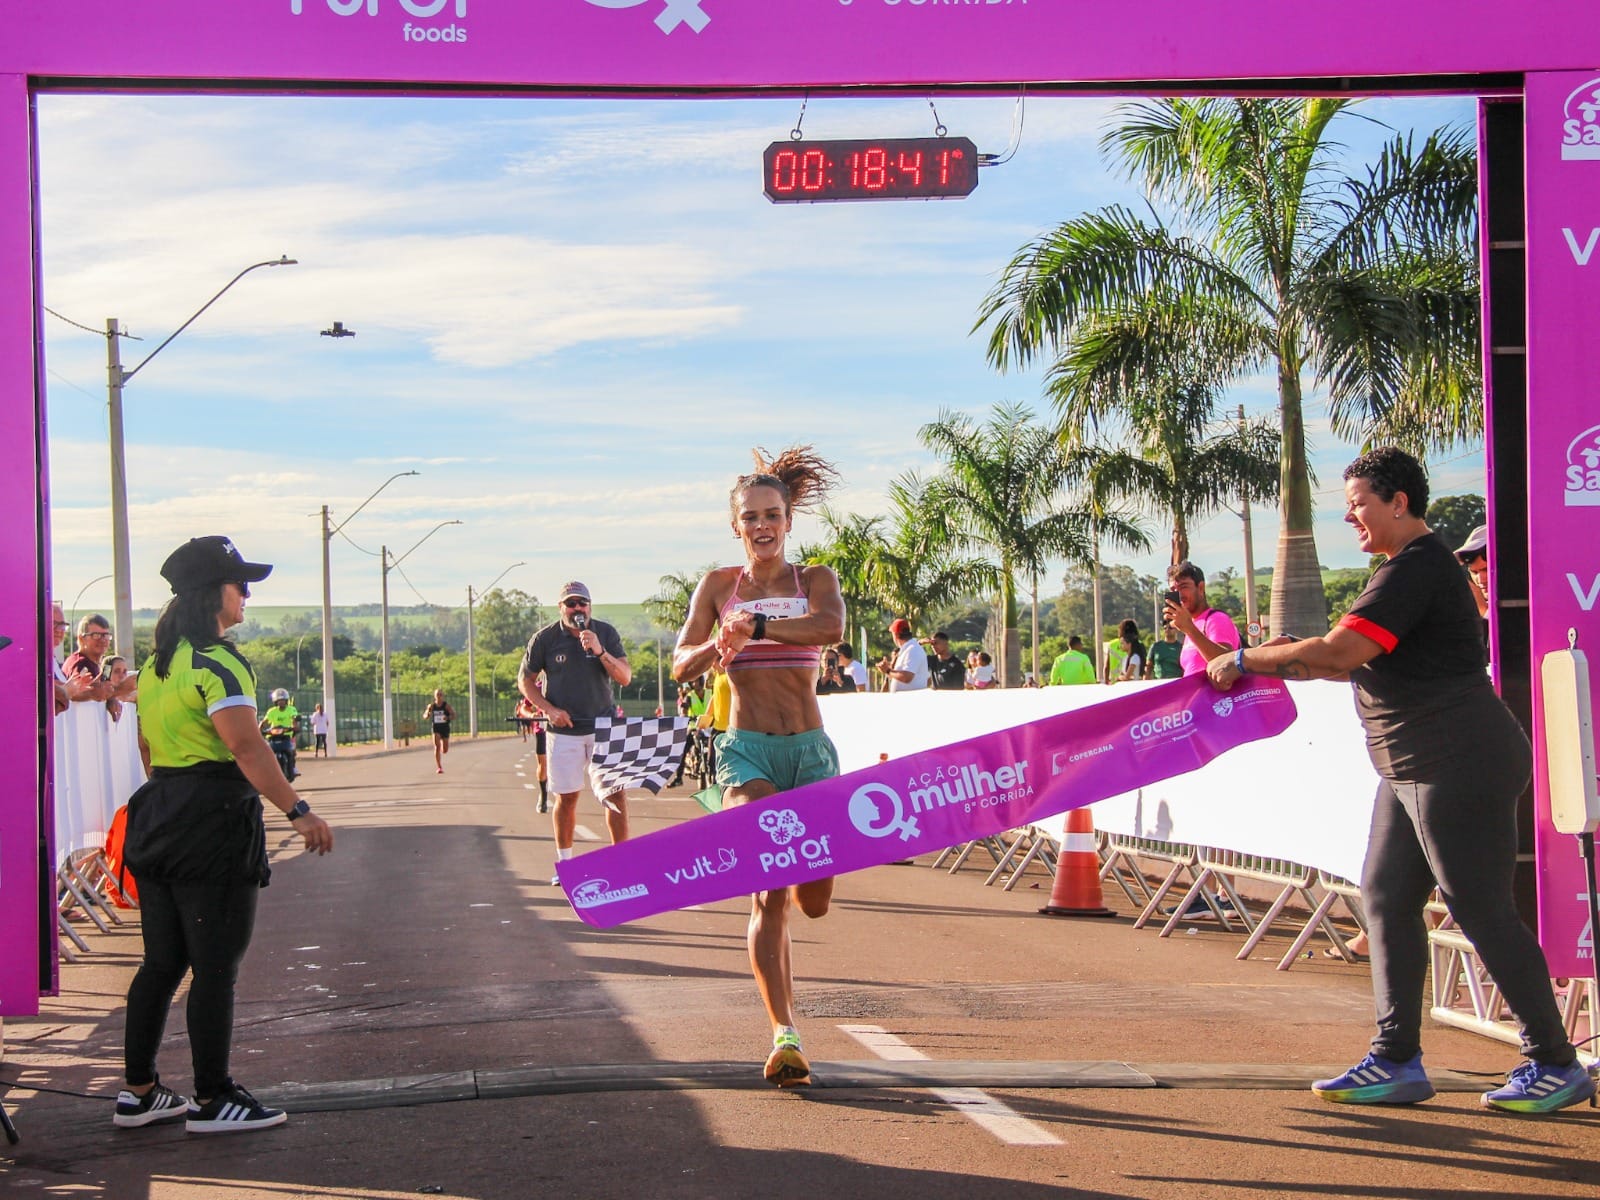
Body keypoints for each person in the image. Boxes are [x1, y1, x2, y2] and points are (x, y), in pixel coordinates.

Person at [1206, 448, 1594, 1114]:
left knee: (1479, 908)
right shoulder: (1401, 572)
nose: (1349, 517)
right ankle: (1395, 1060)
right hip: (1414, 766)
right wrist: (1269, 659)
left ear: (1399, 502)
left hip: (1457, 760)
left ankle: (1555, 1062)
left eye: (1357, 504)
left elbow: (1338, 653)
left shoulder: (1416, 568)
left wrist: (1244, 658)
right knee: (1386, 897)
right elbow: (1344, 662)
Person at [118, 535, 333, 1134]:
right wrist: (299, 811)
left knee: (161, 963)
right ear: (215, 592)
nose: (247, 596)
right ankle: (213, 1098)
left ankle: (138, 1092)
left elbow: (147, 746)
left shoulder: (158, 666)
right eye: (241, 585)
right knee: (215, 967)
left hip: (159, 811)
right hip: (210, 822)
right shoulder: (218, 660)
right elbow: (246, 745)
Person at [672, 446, 845, 1088]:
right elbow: (680, 663)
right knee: (768, 886)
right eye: (751, 517)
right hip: (746, 750)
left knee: (813, 901)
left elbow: (829, 627)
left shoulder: (815, 580)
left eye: (773, 515)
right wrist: (718, 644)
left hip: (810, 752)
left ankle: (806, 876)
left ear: (788, 521)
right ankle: (784, 1034)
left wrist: (760, 631)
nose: (762, 525)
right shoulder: (719, 588)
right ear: (735, 526)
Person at [518, 581, 632, 882]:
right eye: (571, 604)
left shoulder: (605, 633)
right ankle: (566, 864)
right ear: (561, 608)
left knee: (615, 795)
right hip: (564, 732)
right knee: (566, 798)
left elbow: (625, 677)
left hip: (603, 728)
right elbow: (525, 680)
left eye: (582, 603)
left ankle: (621, 862)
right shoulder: (544, 639)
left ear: (590, 606)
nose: (577, 608)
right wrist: (549, 710)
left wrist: (600, 650)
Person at [1163, 561, 1242, 677]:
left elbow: (1227, 664)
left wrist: (1189, 629)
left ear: (1200, 588)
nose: (1178, 594)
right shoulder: (1193, 624)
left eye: (1183, 587)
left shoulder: (1216, 619)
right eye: (1173, 589)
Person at [877, 618, 928, 691]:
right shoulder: (907, 650)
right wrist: (888, 669)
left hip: (911, 697)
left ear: (896, 634)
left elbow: (907, 677)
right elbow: (899, 676)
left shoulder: (913, 649)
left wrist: (888, 670)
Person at [258, 689, 299, 780]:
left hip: (286, 735)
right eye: (279, 701)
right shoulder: (271, 711)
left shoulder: (291, 709)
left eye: (283, 700)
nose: (281, 702)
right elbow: (265, 721)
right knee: (266, 753)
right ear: (275, 702)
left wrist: (294, 726)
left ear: (286, 701)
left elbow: (294, 719)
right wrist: (260, 728)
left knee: (291, 751)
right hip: (273, 736)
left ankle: (293, 767)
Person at [422, 689, 455, 774]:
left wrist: (447, 717)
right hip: (436, 727)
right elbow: (425, 716)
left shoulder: (446, 706)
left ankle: (442, 748)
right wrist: (428, 713)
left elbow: (453, 715)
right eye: (437, 695)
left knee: (445, 750)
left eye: (440, 694)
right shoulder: (432, 706)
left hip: (445, 728)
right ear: (434, 696)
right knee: (437, 747)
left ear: (443, 696)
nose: (439, 696)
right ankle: (439, 767)